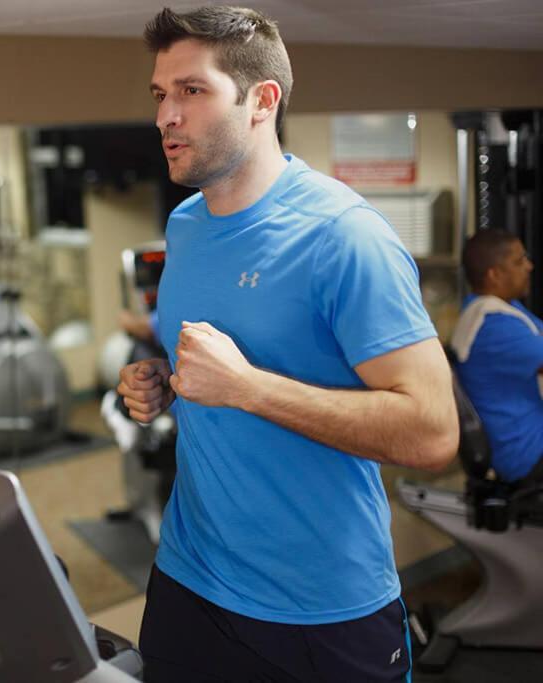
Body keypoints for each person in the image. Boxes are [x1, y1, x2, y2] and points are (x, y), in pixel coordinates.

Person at [116, 8, 458, 682]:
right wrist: (158, 377)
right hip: (190, 578)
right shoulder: (185, 226)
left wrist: (248, 388)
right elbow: (210, 371)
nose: (165, 117)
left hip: (321, 607)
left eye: (192, 91)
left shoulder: (344, 236)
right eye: (160, 94)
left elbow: (433, 432)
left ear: (260, 101)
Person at [452, 228, 543, 483]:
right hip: (526, 454)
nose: (529, 266)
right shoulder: (492, 325)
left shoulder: (502, 307)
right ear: (495, 275)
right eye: (519, 261)